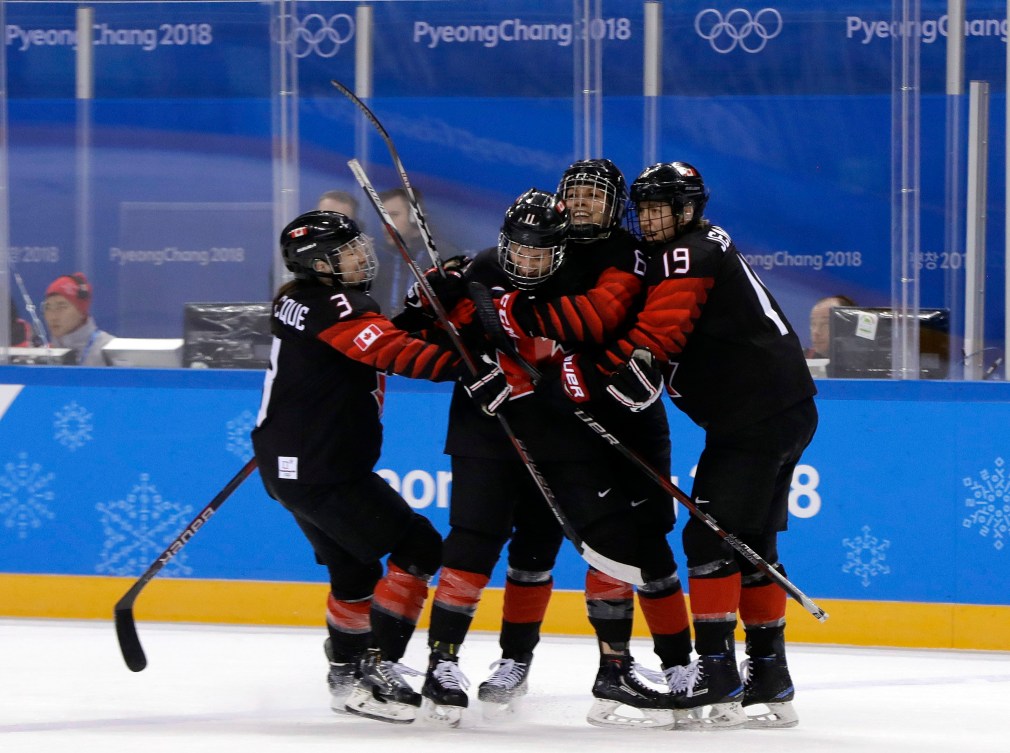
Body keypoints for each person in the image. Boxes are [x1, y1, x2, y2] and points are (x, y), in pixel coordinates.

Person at [558, 162, 817, 729]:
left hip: (755, 418)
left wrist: (605, 373)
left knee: (709, 540)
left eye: (662, 208)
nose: (651, 219)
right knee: (753, 545)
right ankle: (770, 676)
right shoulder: (699, 244)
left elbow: (662, 332)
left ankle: (718, 673)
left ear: (689, 209)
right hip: (778, 411)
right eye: (645, 208)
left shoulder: (687, 253)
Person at [416, 188, 683, 730]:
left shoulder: (581, 283)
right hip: (485, 433)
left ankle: (597, 668)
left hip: (558, 435)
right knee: (472, 543)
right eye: (519, 249)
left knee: (577, 547)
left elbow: (595, 333)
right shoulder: (481, 268)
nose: (527, 261)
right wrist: (433, 300)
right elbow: (421, 331)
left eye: (540, 252)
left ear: (560, 250)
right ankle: (443, 665)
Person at [250, 210, 507, 725]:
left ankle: (345, 673)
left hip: (296, 463)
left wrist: (419, 308)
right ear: (317, 264)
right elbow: (389, 350)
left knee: (356, 570)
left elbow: (374, 337)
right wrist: (468, 366)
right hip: (321, 469)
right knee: (418, 546)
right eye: (344, 252)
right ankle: (375, 668)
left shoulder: (299, 300)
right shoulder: (333, 303)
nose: (359, 257)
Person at [482, 160, 693, 726]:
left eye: (593, 197)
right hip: (555, 422)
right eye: (572, 193)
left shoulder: (630, 254)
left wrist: (520, 317)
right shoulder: (540, 245)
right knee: (535, 540)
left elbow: (603, 317)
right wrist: (458, 283)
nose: (580, 204)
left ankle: (674, 666)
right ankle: (514, 661)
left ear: (614, 204)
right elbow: (483, 281)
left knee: (644, 544)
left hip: (629, 414)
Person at [42, 273, 114, 365]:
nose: (53, 317)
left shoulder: (108, 349)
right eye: (48, 307)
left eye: (61, 307)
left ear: (81, 312)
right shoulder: (43, 353)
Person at [806, 294, 856, 360]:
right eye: (813, 324)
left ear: (848, 327)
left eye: (825, 324)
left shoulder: (868, 363)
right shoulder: (802, 360)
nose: (816, 332)